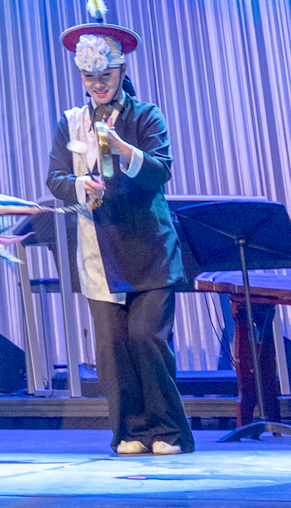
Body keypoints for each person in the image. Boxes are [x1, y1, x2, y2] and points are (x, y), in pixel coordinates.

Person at [45, 24, 193, 457]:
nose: (98, 84)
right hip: (99, 247)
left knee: (147, 338)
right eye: (89, 77)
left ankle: (170, 430)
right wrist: (80, 185)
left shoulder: (146, 116)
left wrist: (124, 150)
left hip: (149, 248)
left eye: (105, 75)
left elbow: (161, 170)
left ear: (121, 71)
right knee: (112, 347)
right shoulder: (71, 122)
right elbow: (55, 178)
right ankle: (129, 430)